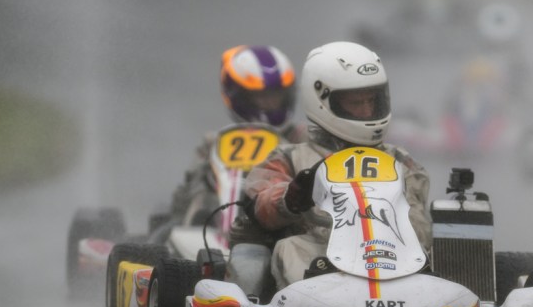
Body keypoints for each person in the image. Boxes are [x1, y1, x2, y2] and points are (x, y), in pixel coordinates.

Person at [235, 41, 432, 291]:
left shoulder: (400, 161)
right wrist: (292, 197)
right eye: (355, 103)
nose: (367, 111)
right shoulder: (290, 157)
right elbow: (260, 205)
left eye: (372, 101)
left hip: (392, 258)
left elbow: (420, 229)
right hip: (320, 259)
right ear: (322, 100)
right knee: (287, 248)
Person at [168, 45, 305, 227]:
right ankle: (200, 227)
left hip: (285, 221)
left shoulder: (302, 138)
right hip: (214, 225)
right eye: (261, 96)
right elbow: (183, 196)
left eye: (276, 96)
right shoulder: (214, 143)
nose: (270, 103)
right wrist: (209, 179)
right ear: (239, 96)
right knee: (189, 203)